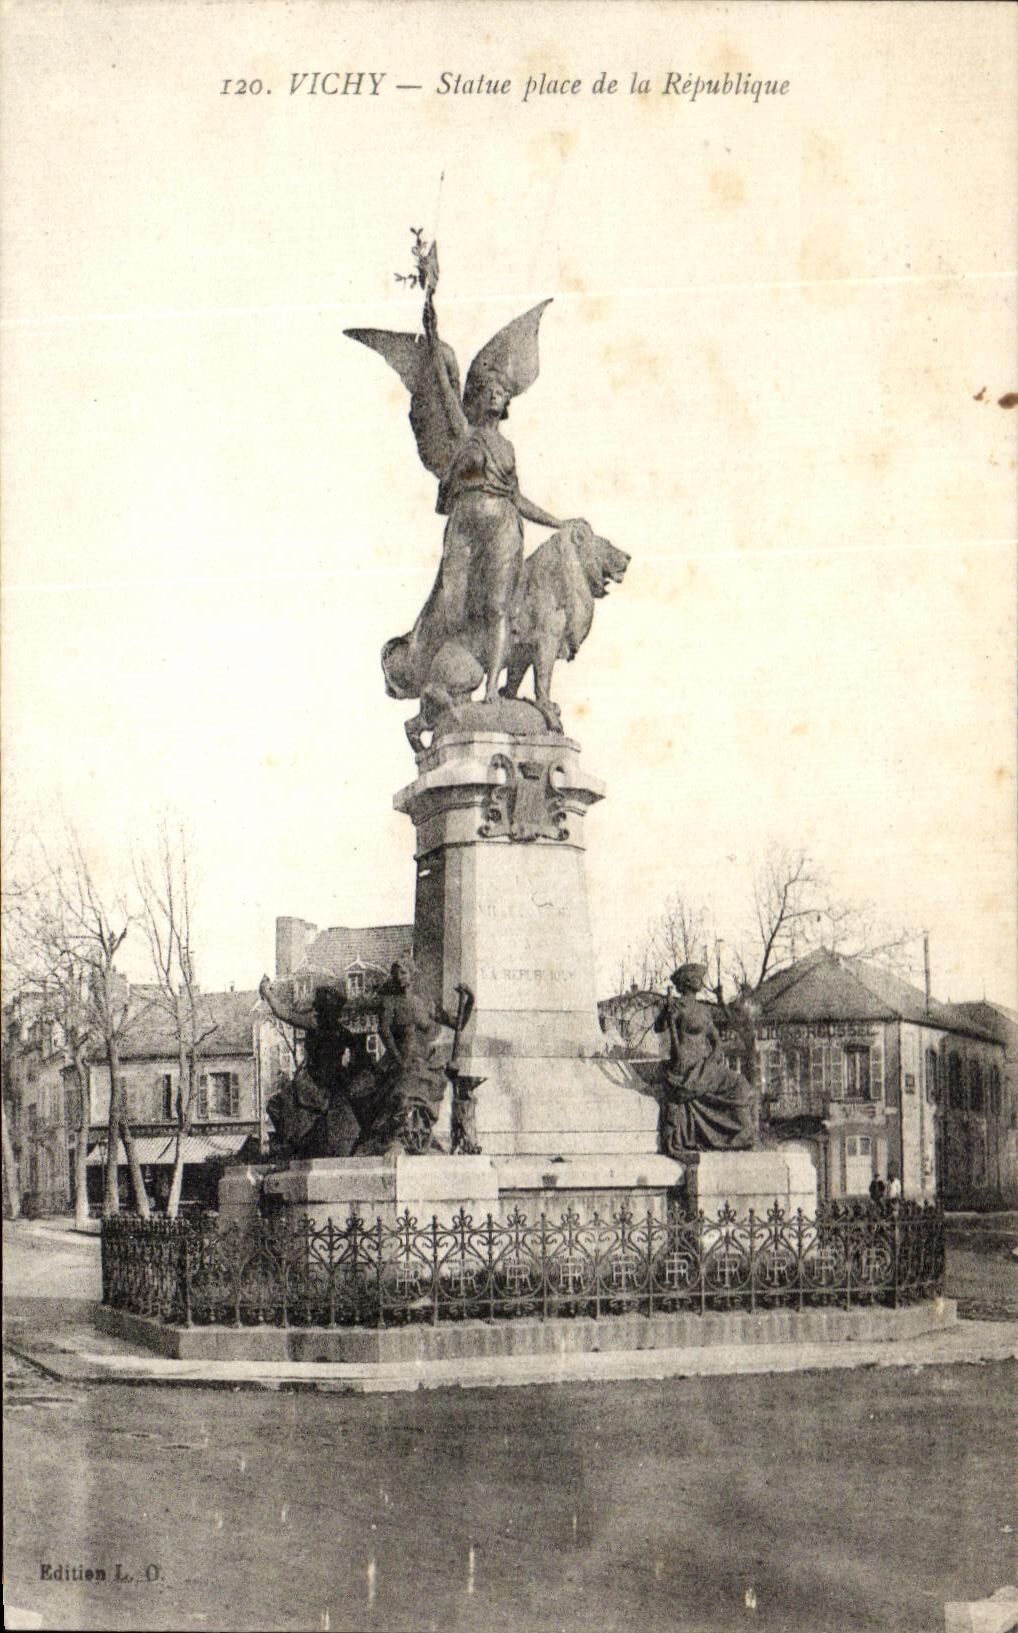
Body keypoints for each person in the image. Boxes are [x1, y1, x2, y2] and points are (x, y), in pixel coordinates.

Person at [424, 285, 588, 699]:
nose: (497, 394)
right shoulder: (465, 432)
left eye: (503, 391)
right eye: (491, 389)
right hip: (465, 525)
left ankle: (493, 692)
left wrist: (557, 522)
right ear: (480, 398)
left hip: (504, 529)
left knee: (498, 610)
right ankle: (448, 679)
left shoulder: (508, 449)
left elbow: (517, 499)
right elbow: (444, 389)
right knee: (453, 605)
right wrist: (431, 330)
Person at [258, 975, 369, 1158]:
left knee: (278, 1104)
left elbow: (285, 1014)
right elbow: (363, 1056)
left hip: (320, 1081)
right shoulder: (338, 1031)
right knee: (279, 1104)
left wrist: (268, 994)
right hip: (326, 1080)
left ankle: (292, 1144)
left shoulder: (318, 1025)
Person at [652, 964, 758, 1156]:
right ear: (687, 982)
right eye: (697, 978)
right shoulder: (676, 1006)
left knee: (740, 1083)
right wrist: (666, 1013)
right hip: (685, 1068)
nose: (701, 981)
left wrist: (714, 1056)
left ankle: (739, 1135)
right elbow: (658, 1027)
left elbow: (716, 1041)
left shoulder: (703, 1010)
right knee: (736, 1084)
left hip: (705, 1066)